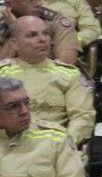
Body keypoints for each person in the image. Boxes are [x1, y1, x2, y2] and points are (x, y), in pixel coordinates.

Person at [0, 15, 93, 143]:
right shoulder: (2, 73)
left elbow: (83, 117)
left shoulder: (69, 75)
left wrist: (65, 143)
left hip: (54, 146)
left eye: (45, 34)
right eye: (32, 35)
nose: (42, 39)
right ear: (15, 44)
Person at [1, 0, 80, 65]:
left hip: (50, 77)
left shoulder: (56, 21)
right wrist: (14, 29)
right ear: (9, 5)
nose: (39, 4)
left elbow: (67, 63)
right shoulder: (2, 23)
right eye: (30, 0)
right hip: (11, 77)